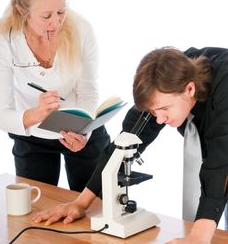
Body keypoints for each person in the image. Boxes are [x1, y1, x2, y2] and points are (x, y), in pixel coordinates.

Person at [33, 46, 228, 243]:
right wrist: (81, 203)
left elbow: (220, 164)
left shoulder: (221, 90)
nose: (159, 120)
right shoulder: (166, 80)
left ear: (190, 89)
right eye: (153, 112)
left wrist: (198, 237)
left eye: (164, 109)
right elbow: (124, 143)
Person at [0, 0, 110, 191]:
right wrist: (35, 114)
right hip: (31, 134)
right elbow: (1, 114)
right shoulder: (3, 38)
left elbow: (88, 92)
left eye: (61, 12)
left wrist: (84, 133)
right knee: (34, 211)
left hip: (81, 129)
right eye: (46, 16)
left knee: (95, 210)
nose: (56, 23)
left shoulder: (81, 30)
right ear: (22, 12)